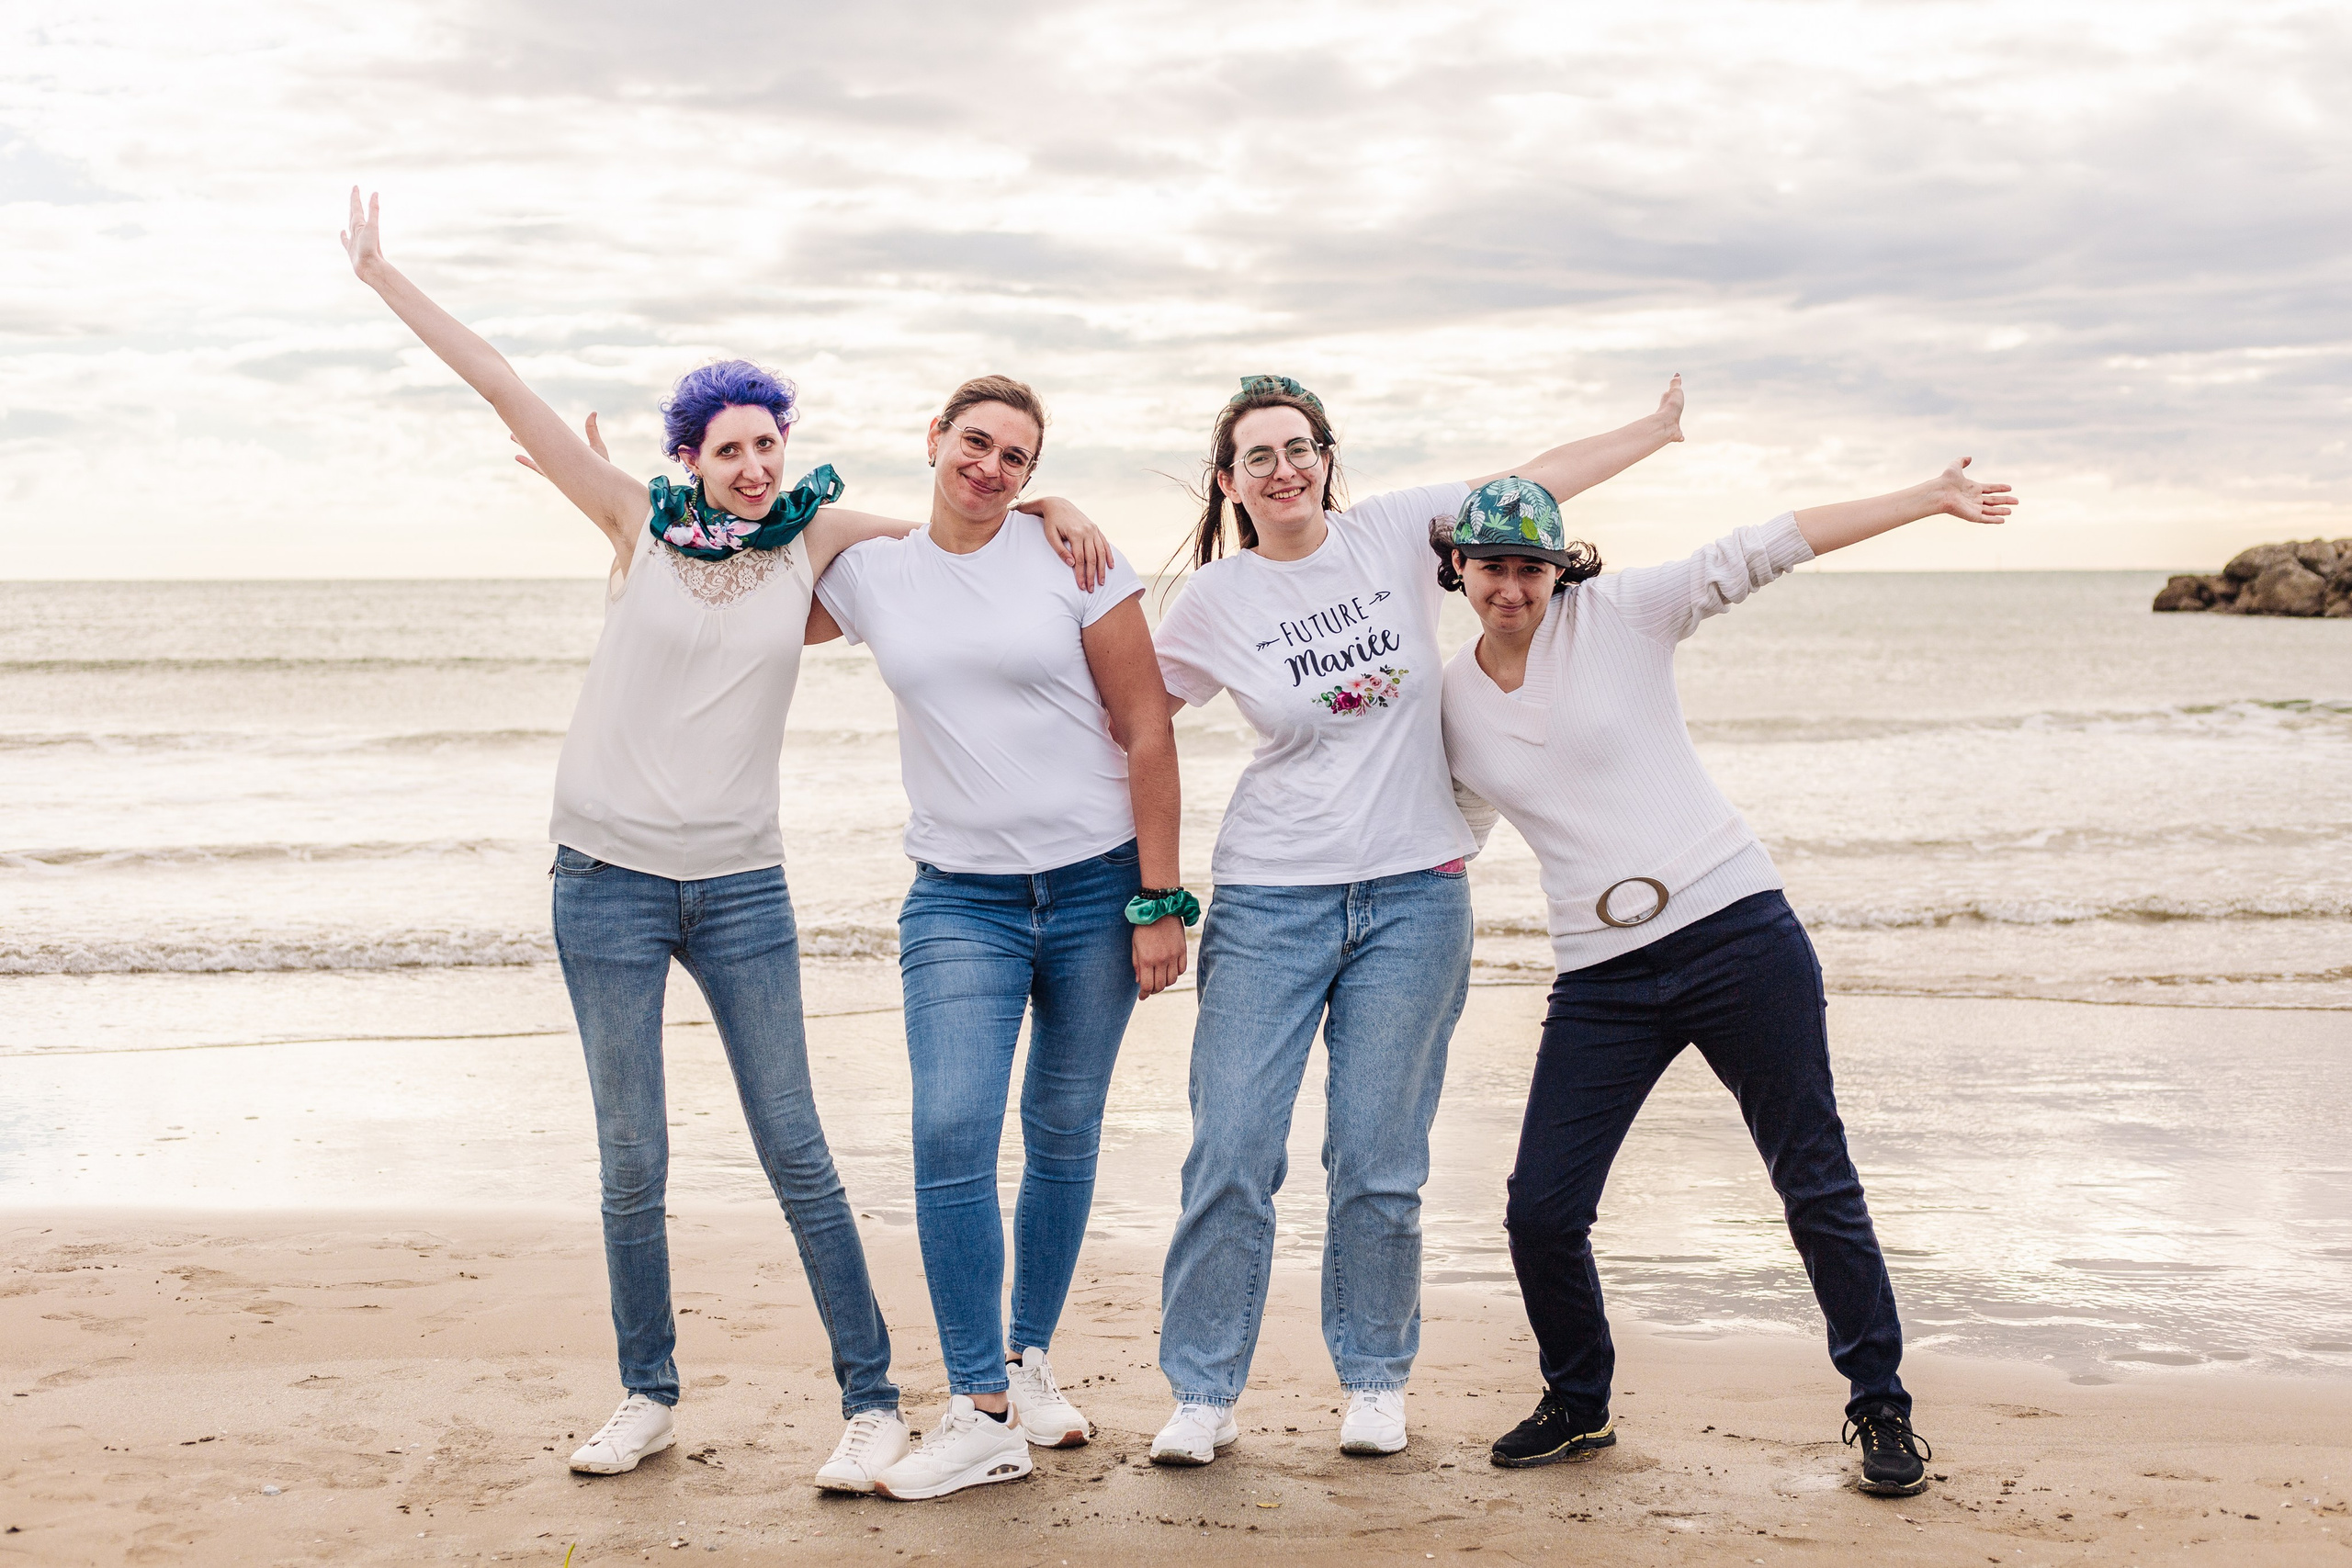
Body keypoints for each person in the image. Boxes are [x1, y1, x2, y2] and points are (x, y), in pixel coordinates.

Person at [339, 190, 1108, 1494]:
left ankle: (871, 1401)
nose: (755, 465)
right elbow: (503, 385)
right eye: (731, 447)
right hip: (605, 880)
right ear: (690, 456)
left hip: (743, 887)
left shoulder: (813, 541)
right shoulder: (632, 522)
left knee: (796, 1146)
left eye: (769, 443)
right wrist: (382, 276)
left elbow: (958, 521)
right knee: (632, 1156)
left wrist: (1053, 502)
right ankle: (646, 1393)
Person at [1433, 456, 2017, 1495]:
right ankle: (1578, 1402)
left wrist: (1925, 498)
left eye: (1532, 567)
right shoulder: (1449, 703)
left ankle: (1880, 1406)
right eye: (1492, 568)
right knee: (1541, 1210)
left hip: (1737, 933)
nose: (1512, 588)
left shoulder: (1622, 614)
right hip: (1601, 976)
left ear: (1561, 568)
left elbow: (1769, 544)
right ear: (1459, 569)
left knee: (1813, 1180)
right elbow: (1450, 826)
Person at [1143, 373, 1685, 1465]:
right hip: (1269, 899)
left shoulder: (1392, 534)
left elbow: (1529, 487)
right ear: (1229, 482)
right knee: (1231, 1151)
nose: (1284, 470)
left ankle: (1374, 1379)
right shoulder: (1212, 602)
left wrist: (1655, 430)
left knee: (1379, 1159)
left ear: (1326, 459)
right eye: (1259, 457)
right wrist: (1147, 893)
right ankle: (1202, 1392)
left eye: (1300, 449)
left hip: (1414, 898)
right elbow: (1130, 724)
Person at [806, 375, 1192, 1501]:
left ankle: (1026, 1365)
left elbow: (1147, 725)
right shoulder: (874, 573)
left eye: (1016, 458)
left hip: (1096, 888)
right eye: (972, 443)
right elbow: (751, 581)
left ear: (1034, 472)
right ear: (932, 438)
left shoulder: (1075, 559)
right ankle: (978, 1408)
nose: (989, 467)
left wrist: (1159, 901)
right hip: (958, 900)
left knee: (1062, 1132)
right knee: (950, 1132)